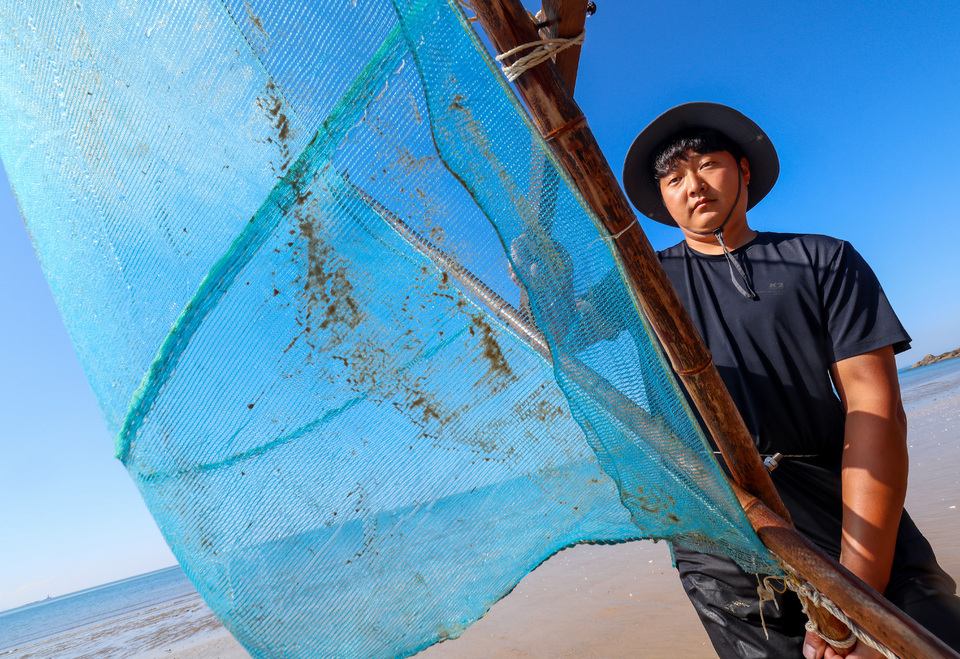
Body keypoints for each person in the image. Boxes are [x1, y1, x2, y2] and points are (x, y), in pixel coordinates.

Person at [620, 102, 960, 659]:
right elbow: (556, 316)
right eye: (673, 178)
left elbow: (874, 408)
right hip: (719, 524)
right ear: (662, 198)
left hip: (836, 494)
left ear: (744, 170)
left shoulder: (823, 259)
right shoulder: (639, 284)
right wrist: (541, 260)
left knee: (927, 633)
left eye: (707, 164)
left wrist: (857, 595)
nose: (693, 185)